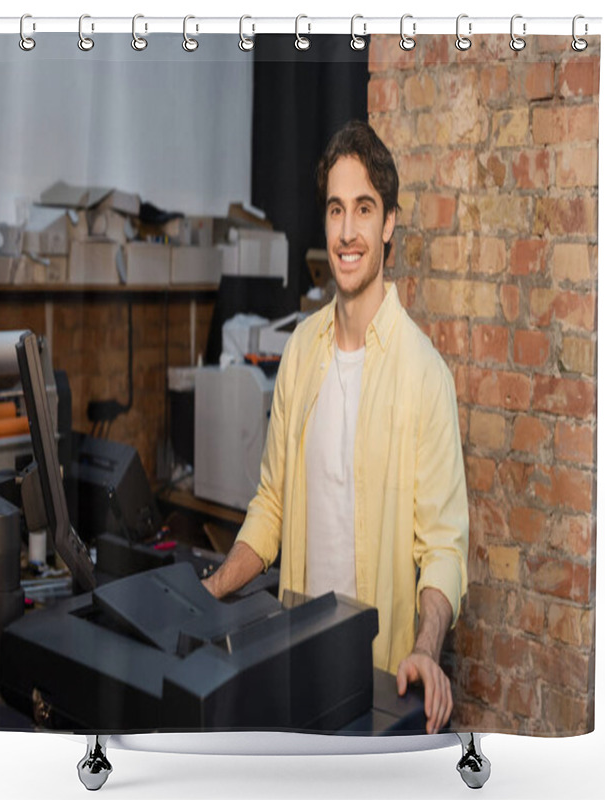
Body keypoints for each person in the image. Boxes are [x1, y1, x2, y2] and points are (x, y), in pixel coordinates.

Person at [202, 120, 468, 734]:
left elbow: (445, 550)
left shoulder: (424, 375)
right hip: (294, 668)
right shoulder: (300, 352)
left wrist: (426, 648)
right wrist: (211, 591)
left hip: (377, 686)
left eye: (364, 210)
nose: (347, 232)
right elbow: (270, 503)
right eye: (336, 209)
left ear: (390, 223)